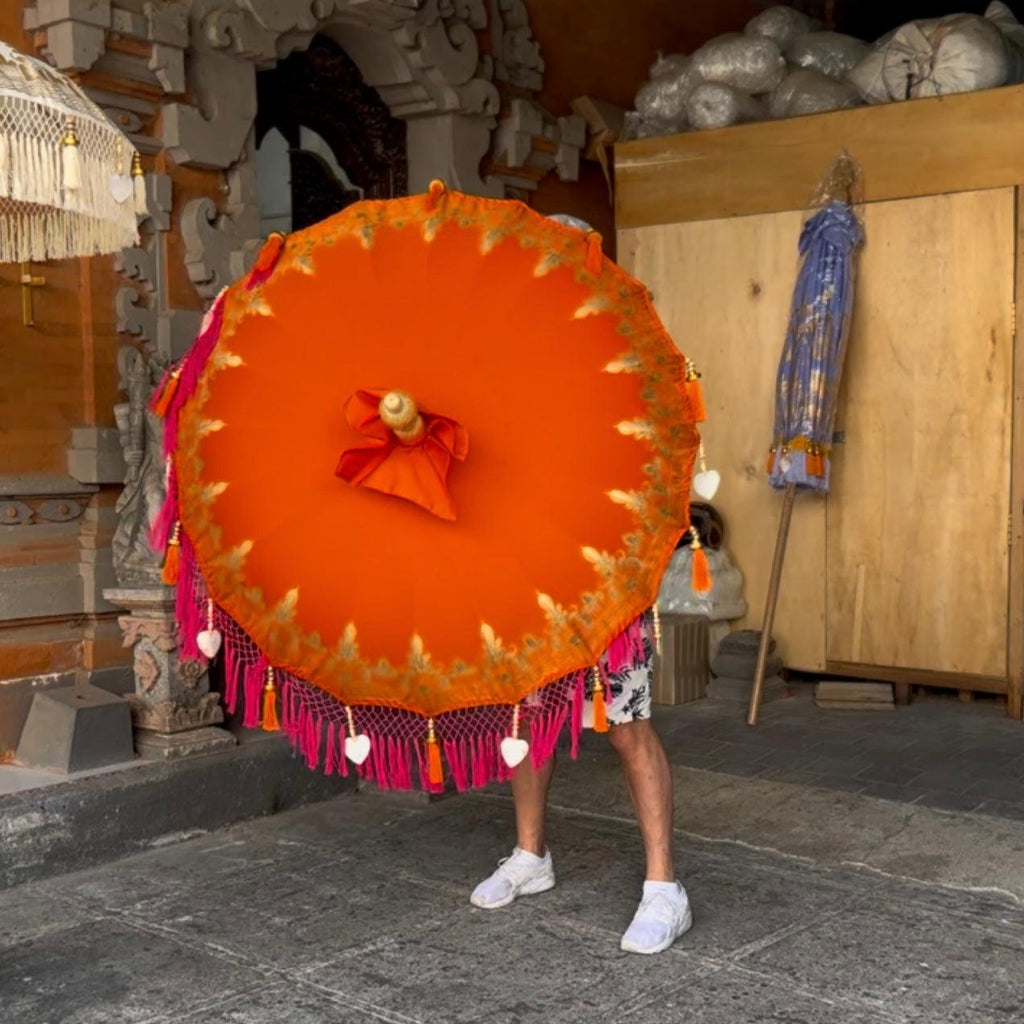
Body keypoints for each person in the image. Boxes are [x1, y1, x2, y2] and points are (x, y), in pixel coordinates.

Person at [469, 623, 693, 955]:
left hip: (609, 593)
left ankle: (664, 889)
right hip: (535, 595)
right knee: (528, 717)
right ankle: (531, 857)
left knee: (627, 724)